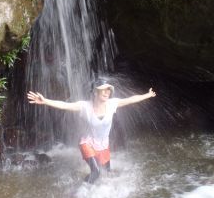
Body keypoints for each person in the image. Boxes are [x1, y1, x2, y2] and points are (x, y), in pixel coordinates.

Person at [27, 78, 156, 183]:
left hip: (103, 145)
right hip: (87, 143)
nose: (107, 93)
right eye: (103, 90)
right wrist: (45, 101)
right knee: (96, 172)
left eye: (108, 90)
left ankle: (103, 194)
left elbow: (131, 100)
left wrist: (148, 95)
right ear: (95, 92)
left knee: (108, 173)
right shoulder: (84, 106)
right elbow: (65, 105)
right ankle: (82, 192)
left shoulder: (112, 104)